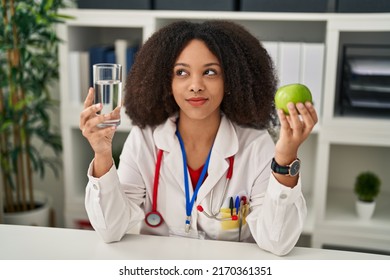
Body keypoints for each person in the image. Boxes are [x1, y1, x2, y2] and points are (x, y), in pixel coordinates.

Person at [79, 20, 318, 256]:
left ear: (231, 80)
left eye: (210, 72)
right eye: (181, 72)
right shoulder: (145, 139)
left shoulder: (255, 144)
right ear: (166, 81)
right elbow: (110, 229)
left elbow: (277, 242)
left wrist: (286, 157)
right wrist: (102, 154)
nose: (195, 85)